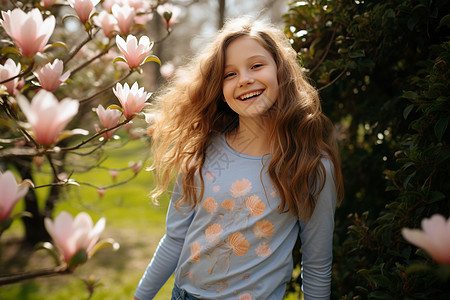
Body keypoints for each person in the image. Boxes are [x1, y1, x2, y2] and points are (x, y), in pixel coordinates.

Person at [133, 16, 344, 300]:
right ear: (219, 90)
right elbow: (174, 239)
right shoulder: (202, 152)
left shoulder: (311, 166)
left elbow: (316, 264)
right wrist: (140, 296)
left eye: (256, 65)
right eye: (229, 74)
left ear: (281, 72)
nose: (244, 79)